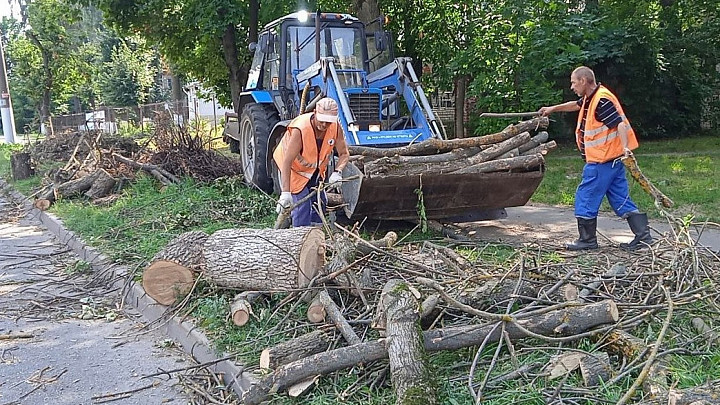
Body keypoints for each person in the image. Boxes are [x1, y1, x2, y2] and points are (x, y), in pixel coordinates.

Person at [537, 66, 653, 251]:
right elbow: (576, 105)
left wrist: (625, 148)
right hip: (613, 161)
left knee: (586, 197)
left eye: (574, 82)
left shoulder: (601, 101)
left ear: (583, 81)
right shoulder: (592, 97)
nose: (572, 86)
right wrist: (553, 109)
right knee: (620, 200)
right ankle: (644, 236)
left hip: (602, 162)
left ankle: (587, 240)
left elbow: (619, 125)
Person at [273, 97, 350, 227]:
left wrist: (338, 172)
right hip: (294, 170)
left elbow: (344, 154)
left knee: (320, 202)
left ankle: (315, 237)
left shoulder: (335, 128)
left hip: (315, 171)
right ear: (315, 112)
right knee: (302, 206)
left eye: (329, 122)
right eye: (322, 121)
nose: (325, 125)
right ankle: (299, 240)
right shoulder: (301, 129)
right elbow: (287, 162)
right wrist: (285, 193)